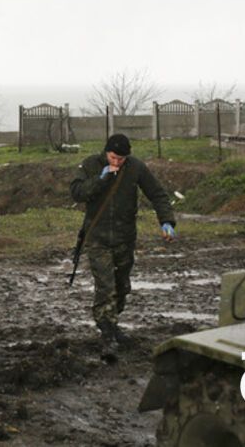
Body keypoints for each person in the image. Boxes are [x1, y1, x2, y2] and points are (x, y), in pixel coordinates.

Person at [70, 133, 176, 349]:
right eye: (113, 157)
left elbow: (157, 194)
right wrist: (101, 179)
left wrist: (166, 221)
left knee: (121, 286)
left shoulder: (135, 167)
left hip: (124, 237)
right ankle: (106, 330)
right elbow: (77, 192)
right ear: (106, 152)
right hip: (97, 237)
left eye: (121, 159)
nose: (116, 162)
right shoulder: (91, 164)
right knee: (105, 285)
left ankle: (113, 322)